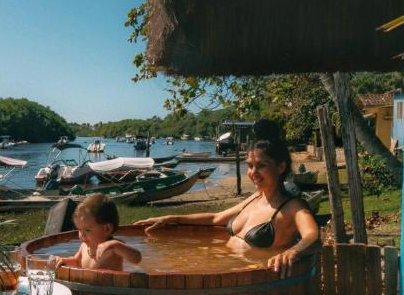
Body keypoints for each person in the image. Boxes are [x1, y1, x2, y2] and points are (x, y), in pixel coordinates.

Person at [135, 119, 319, 277]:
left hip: (251, 278)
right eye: (250, 166)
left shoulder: (293, 207)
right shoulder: (255, 198)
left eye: (261, 166)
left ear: (280, 167)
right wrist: (172, 218)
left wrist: (293, 251)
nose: (253, 173)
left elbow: (312, 236)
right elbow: (216, 218)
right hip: (224, 265)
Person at [56, 194, 142, 271]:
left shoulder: (113, 248)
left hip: (111, 287)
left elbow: (137, 258)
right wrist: (65, 261)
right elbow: (77, 261)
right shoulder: (84, 247)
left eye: (87, 230)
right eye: (79, 229)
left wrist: (115, 245)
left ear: (107, 229)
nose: (82, 235)